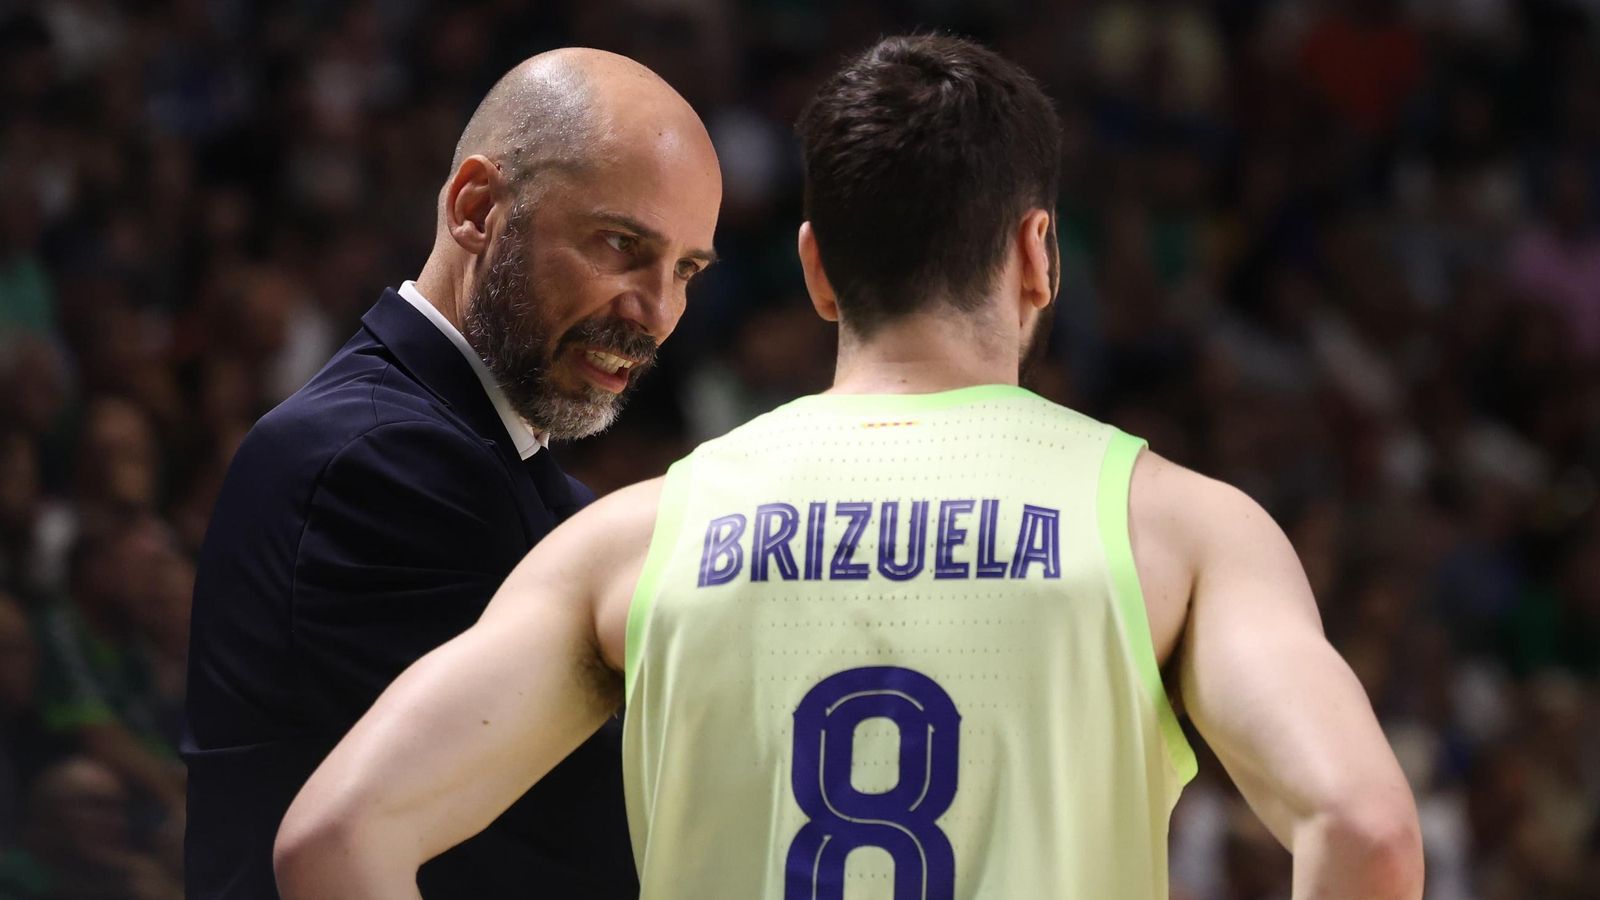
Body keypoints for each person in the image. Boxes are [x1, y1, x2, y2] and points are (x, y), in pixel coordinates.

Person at [273, 35, 1422, 899]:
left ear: (817, 272)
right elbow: (1366, 827)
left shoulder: (633, 538)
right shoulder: (1176, 530)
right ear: (1038, 254)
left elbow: (334, 837)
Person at [183, 48, 721, 899]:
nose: (655, 313)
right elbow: (568, 847)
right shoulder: (381, 462)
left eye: (686, 270)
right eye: (622, 246)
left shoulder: (492, 464)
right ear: (477, 209)